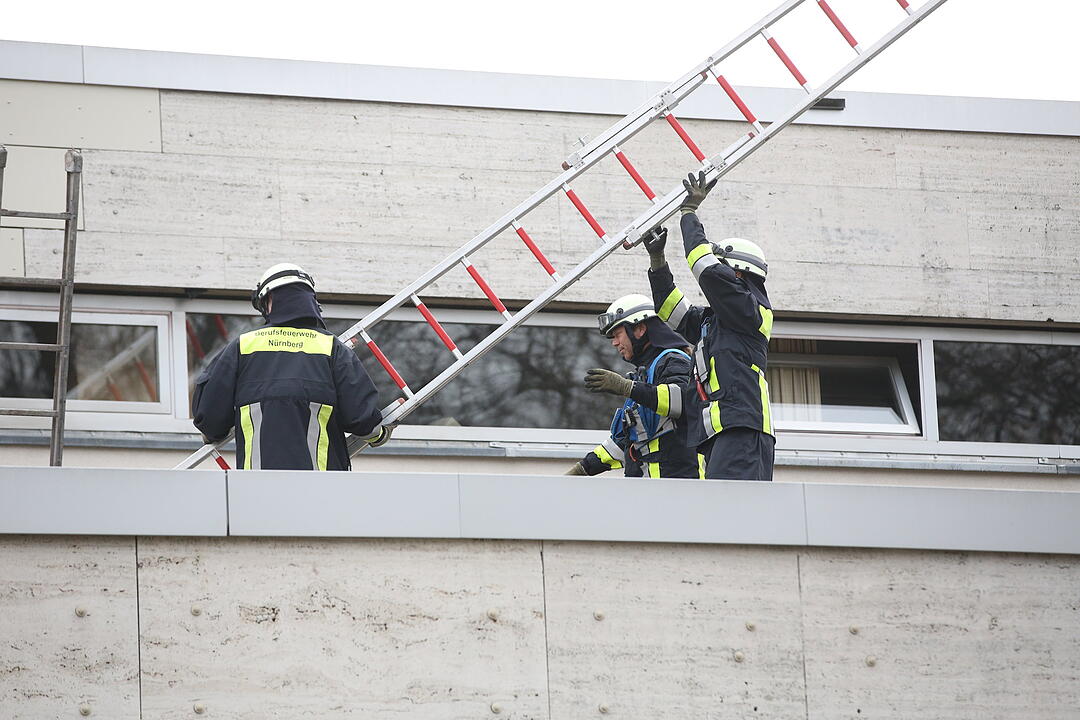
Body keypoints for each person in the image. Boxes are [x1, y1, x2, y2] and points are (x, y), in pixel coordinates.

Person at [192, 263, 391, 470]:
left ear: (269, 300)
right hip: (321, 487)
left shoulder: (243, 347)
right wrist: (380, 434)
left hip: (258, 487)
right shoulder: (331, 347)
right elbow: (362, 419)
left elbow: (210, 418)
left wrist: (210, 433)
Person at [644, 171, 775, 480]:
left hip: (742, 428)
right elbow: (670, 310)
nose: (719, 276)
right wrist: (658, 261)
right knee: (723, 521)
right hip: (723, 431)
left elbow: (704, 266)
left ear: (740, 275)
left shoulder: (749, 309)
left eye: (724, 269)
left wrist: (689, 214)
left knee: (734, 521)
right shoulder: (717, 321)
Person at [565, 293, 700, 479]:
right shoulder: (644, 375)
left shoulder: (674, 360)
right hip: (645, 491)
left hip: (678, 487)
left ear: (639, 329)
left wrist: (627, 388)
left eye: (618, 334)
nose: (614, 343)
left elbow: (682, 401)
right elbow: (624, 441)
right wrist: (584, 468)